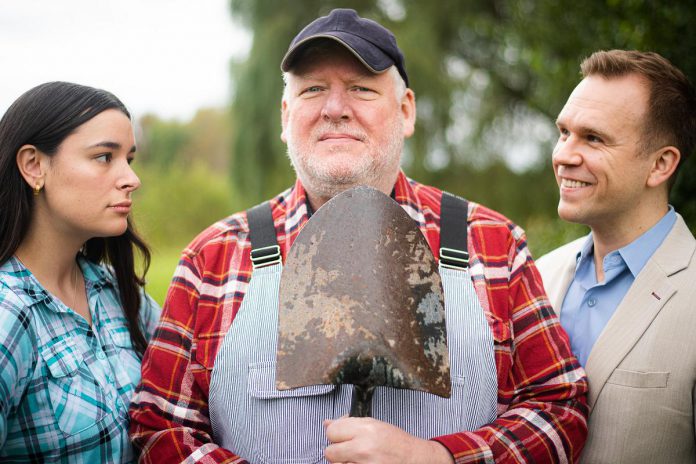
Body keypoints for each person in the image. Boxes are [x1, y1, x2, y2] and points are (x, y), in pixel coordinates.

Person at [130, 9, 588, 463]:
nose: (334, 109)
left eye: (360, 89)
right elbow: (160, 424)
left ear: (406, 111)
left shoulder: (490, 244)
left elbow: (559, 408)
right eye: (313, 90)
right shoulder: (215, 257)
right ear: (286, 117)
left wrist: (439, 457)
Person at [536, 50, 696, 463]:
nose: (564, 155)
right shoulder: (537, 275)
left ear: (660, 164)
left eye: (593, 138)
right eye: (563, 132)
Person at [0, 81, 161, 463]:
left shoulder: (114, 292)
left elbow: (198, 377)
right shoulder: (9, 312)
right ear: (34, 166)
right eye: (105, 157)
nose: (131, 179)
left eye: (129, 159)